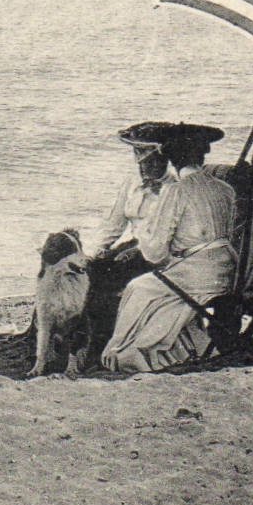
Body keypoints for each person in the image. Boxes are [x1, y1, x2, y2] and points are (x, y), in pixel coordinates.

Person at [101, 124, 238, 372]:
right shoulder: (225, 189)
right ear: (202, 155)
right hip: (228, 269)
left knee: (137, 288)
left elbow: (154, 253)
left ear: (172, 159)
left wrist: (147, 246)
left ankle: (130, 353)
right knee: (155, 288)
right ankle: (184, 342)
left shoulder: (175, 191)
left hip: (197, 275)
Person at [80, 122, 178, 362]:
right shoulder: (131, 181)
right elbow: (115, 223)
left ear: (166, 159)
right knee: (89, 271)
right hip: (132, 246)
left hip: (157, 252)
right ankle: (81, 343)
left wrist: (135, 249)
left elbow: (166, 237)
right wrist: (96, 250)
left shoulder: (175, 188)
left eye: (154, 161)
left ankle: (102, 346)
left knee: (109, 282)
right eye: (141, 160)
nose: (146, 167)